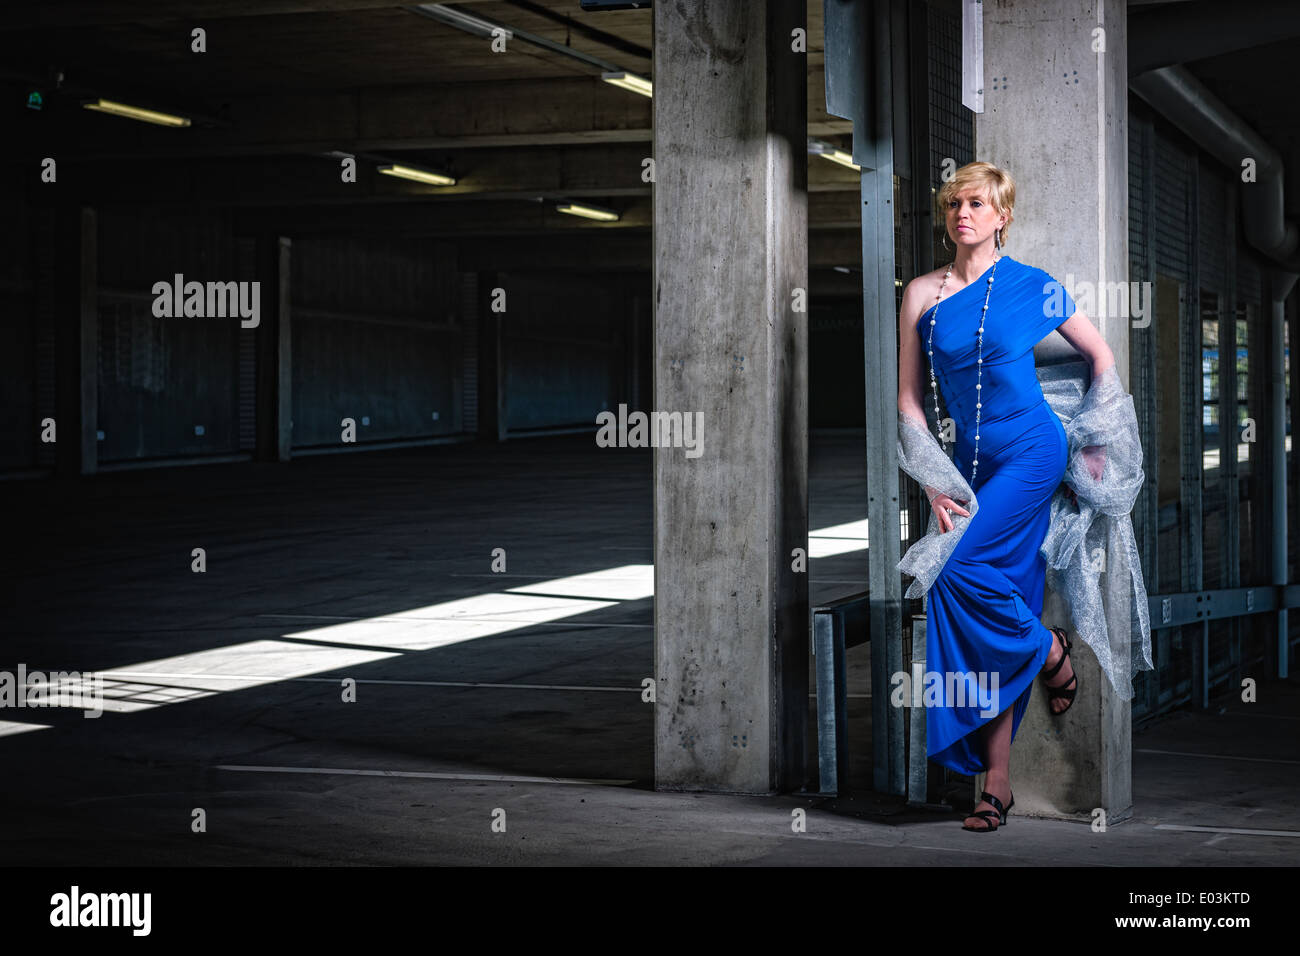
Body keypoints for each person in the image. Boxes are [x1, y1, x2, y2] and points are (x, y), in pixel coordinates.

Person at [896, 161, 1115, 832]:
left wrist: (1098, 439)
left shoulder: (1033, 286)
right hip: (966, 462)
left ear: (1002, 215)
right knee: (995, 606)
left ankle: (1049, 650)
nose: (964, 213)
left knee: (952, 573)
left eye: (978, 204)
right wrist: (933, 477)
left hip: (1032, 452)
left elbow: (1100, 358)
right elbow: (908, 399)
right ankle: (996, 785)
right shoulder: (921, 294)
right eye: (955, 203)